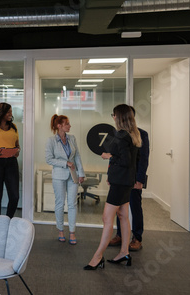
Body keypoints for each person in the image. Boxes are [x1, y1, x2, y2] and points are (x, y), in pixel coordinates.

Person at [84, 104, 141, 270]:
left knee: (106, 218)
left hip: (120, 183)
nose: (113, 118)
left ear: (120, 117)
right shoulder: (134, 135)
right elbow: (131, 162)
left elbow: (124, 161)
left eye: (114, 115)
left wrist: (109, 155)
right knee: (123, 215)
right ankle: (124, 252)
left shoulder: (122, 136)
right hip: (126, 181)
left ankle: (97, 257)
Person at [109, 106, 150, 251]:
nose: (113, 117)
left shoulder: (142, 134)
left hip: (133, 179)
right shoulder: (119, 134)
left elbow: (143, 159)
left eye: (114, 115)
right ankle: (120, 235)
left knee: (135, 207)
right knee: (120, 209)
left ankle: (137, 238)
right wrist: (110, 175)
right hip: (120, 178)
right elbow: (115, 156)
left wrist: (139, 180)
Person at [45, 114, 85, 245]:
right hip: (59, 175)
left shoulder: (72, 139)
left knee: (72, 204)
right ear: (59, 126)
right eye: (67, 124)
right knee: (60, 203)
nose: (70, 126)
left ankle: (72, 232)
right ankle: (60, 230)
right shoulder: (51, 141)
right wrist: (65, 163)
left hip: (73, 175)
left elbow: (77, 156)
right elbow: (49, 159)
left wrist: (81, 173)